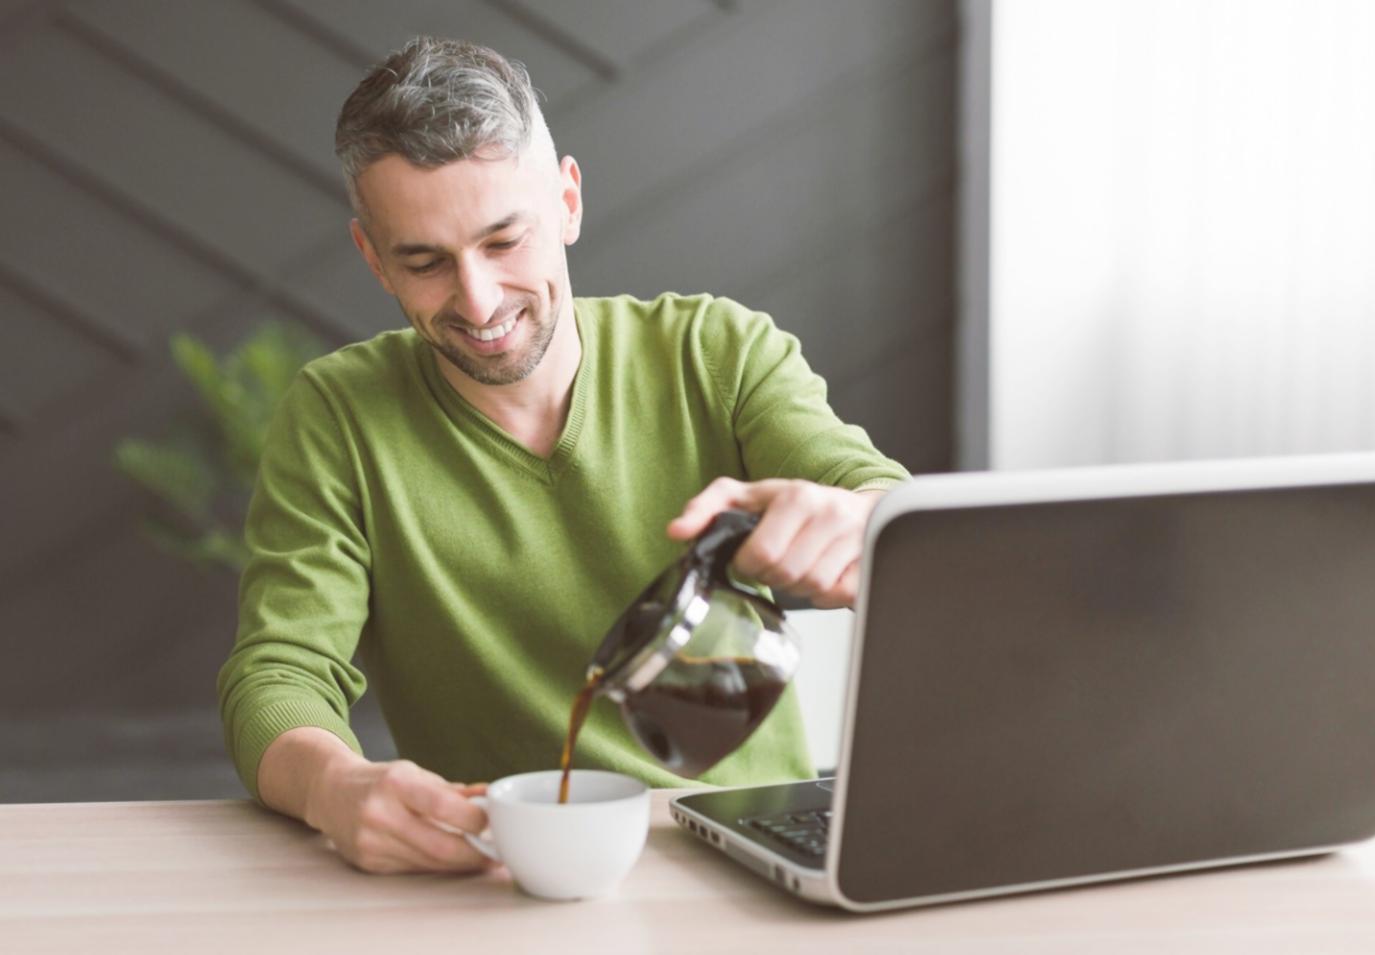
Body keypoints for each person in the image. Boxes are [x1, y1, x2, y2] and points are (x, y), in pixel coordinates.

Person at [217, 36, 909, 875]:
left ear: (569, 202)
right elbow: (280, 670)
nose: (477, 300)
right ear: (373, 258)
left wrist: (867, 523)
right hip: (498, 871)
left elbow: (880, 502)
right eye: (425, 261)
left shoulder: (718, 351)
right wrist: (334, 785)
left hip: (747, 854)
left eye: (504, 241)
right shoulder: (337, 415)